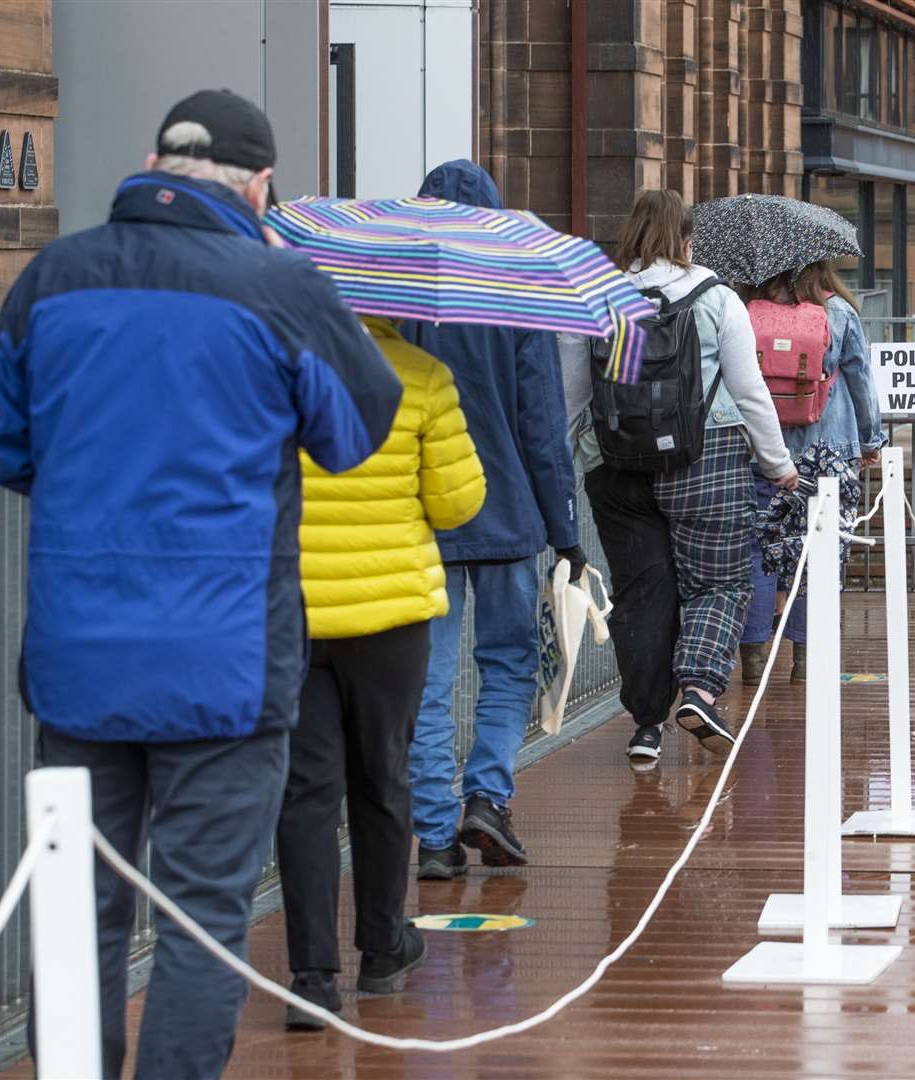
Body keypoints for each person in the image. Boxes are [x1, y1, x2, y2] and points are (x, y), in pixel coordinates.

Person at [0, 90, 401, 1077]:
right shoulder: (280, 284)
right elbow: (355, 432)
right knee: (200, 915)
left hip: (79, 656)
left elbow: (3, 447)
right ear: (259, 185)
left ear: (152, 162)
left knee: (73, 907)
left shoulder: (51, 277)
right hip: (227, 659)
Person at [276, 316, 486, 1029]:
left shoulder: (279, 371)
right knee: (383, 779)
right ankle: (382, 948)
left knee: (305, 791)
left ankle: (310, 977)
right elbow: (458, 505)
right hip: (391, 613)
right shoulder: (422, 377)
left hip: (294, 608)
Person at [561, 190, 797, 767]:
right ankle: (698, 691)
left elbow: (571, 397)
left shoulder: (595, 298)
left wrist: (569, 462)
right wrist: (779, 465)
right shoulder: (715, 297)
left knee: (643, 592)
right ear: (686, 238)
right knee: (717, 585)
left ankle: (645, 724)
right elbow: (749, 392)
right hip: (704, 461)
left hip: (615, 469)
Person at [402, 160, 586, 878]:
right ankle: (487, 795)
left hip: (420, 515)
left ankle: (433, 834)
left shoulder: (394, 295)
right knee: (508, 662)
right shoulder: (515, 289)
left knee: (428, 678)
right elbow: (541, 423)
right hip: (507, 511)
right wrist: (565, 528)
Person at [737, 260, 886, 683]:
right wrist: (871, 440)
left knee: (757, 550)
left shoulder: (752, 310)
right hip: (829, 453)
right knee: (818, 555)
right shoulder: (838, 312)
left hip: (764, 452)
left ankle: (752, 659)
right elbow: (860, 380)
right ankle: (805, 661)